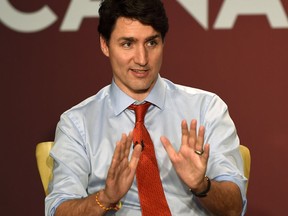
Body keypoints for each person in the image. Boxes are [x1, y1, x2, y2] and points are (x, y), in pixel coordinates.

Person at [45, 0, 247, 215]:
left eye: (151, 43)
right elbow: (59, 210)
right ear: (105, 44)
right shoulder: (78, 123)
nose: (142, 59)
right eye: (127, 44)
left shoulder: (206, 109)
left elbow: (234, 208)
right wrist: (105, 198)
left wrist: (201, 185)